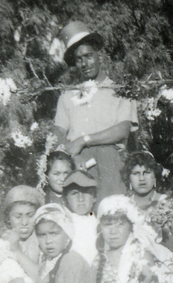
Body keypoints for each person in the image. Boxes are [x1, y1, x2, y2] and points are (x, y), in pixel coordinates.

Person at [53, 21, 139, 205]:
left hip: (111, 163)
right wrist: (73, 155)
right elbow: (58, 132)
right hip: (79, 164)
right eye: (79, 59)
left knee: (113, 211)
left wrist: (84, 140)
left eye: (89, 56)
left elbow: (122, 129)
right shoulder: (67, 96)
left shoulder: (119, 90)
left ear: (99, 55)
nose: (85, 63)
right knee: (85, 218)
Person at [92, 195, 173, 283]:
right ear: (100, 227)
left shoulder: (140, 256)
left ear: (131, 227)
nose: (113, 231)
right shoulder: (99, 259)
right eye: (107, 225)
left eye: (120, 225)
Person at [124, 151, 173, 255]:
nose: (142, 178)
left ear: (155, 176)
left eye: (147, 172)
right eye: (136, 173)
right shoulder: (123, 204)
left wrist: (160, 234)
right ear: (129, 178)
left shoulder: (169, 203)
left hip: (161, 262)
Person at [34, 203, 94, 283]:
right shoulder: (46, 262)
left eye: (54, 234)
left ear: (67, 234)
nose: (48, 241)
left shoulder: (71, 260)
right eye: (42, 235)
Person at [2, 185, 44, 283]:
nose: (24, 222)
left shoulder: (42, 240)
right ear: (8, 218)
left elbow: (42, 279)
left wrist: (17, 250)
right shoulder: (3, 241)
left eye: (30, 215)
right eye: (17, 216)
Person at [62, 169, 99, 264]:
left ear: (94, 197)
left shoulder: (99, 221)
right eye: (74, 193)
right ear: (66, 199)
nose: (81, 199)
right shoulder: (65, 222)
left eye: (86, 192)